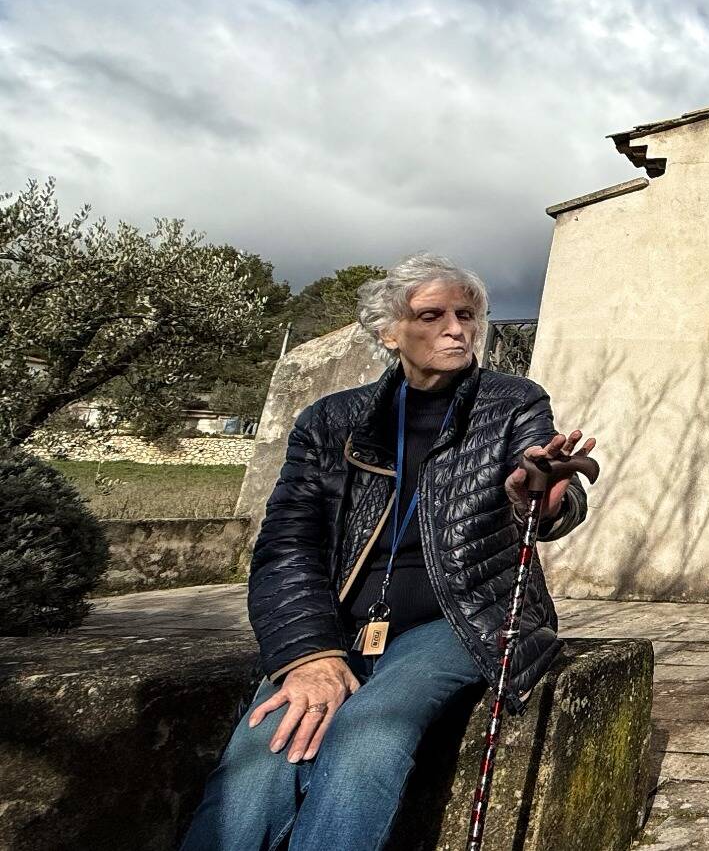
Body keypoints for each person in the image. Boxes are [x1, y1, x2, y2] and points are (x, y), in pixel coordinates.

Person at [181, 254, 597, 851]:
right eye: (432, 315)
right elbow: (287, 545)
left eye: (467, 314)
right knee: (260, 756)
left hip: (465, 617)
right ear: (388, 330)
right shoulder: (330, 421)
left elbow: (550, 493)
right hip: (341, 623)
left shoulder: (513, 402)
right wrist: (308, 655)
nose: (457, 329)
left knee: (367, 735)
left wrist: (540, 496)